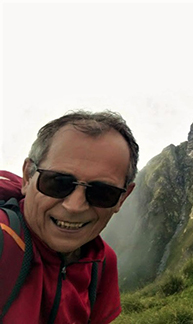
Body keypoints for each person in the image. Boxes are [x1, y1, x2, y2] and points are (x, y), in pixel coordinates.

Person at [0, 111, 139, 323]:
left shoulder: (101, 263)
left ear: (122, 198)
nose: (75, 206)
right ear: (28, 177)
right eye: (58, 182)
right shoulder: (5, 239)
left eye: (102, 193)